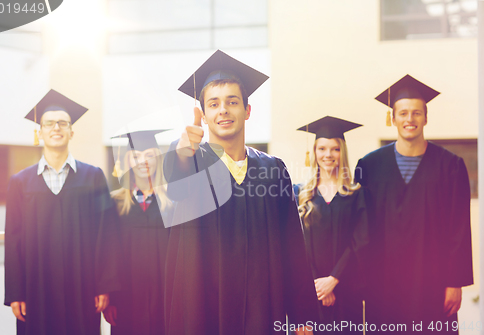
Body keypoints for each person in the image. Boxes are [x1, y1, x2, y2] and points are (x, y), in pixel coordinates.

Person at [163, 50, 318, 335]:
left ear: (247, 111)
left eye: (232, 102)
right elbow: (174, 186)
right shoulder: (192, 162)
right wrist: (182, 151)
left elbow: (292, 246)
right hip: (202, 310)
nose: (223, 109)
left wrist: (303, 316)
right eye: (213, 104)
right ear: (205, 116)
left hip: (261, 309)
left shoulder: (273, 170)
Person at [355, 75, 473, 334]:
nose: (410, 119)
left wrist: (455, 283)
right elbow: (360, 230)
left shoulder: (450, 166)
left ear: (426, 118)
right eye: (404, 113)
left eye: (417, 113)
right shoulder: (369, 166)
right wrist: (360, 281)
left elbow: (459, 229)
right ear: (393, 118)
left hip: (433, 282)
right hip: (383, 283)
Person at [4, 89, 121, 335]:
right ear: (40, 132)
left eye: (62, 123)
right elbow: (13, 239)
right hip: (35, 288)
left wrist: (104, 285)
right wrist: (16, 293)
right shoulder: (20, 183)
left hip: (83, 286)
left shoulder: (94, 177)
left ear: (71, 131)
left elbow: (105, 233)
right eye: (49, 123)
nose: (56, 128)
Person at [294, 116, 368, 333]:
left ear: (342, 152)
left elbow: (361, 242)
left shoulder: (356, 194)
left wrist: (334, 279)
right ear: (314, 152)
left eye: (335, 149)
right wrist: (319, 285)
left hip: (347, 293)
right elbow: (297, 247)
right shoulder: (301, 195)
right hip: (308, 295)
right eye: (322, 148)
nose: (328, 155)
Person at [103, 130, 173, 335]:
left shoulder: (173, 201)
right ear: (127, 162)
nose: (143, 161)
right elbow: (108, 253)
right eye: (135, 156)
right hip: (126, 297)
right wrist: (110, 299)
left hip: (165, 296)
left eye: (149, 155)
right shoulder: (114, 202)